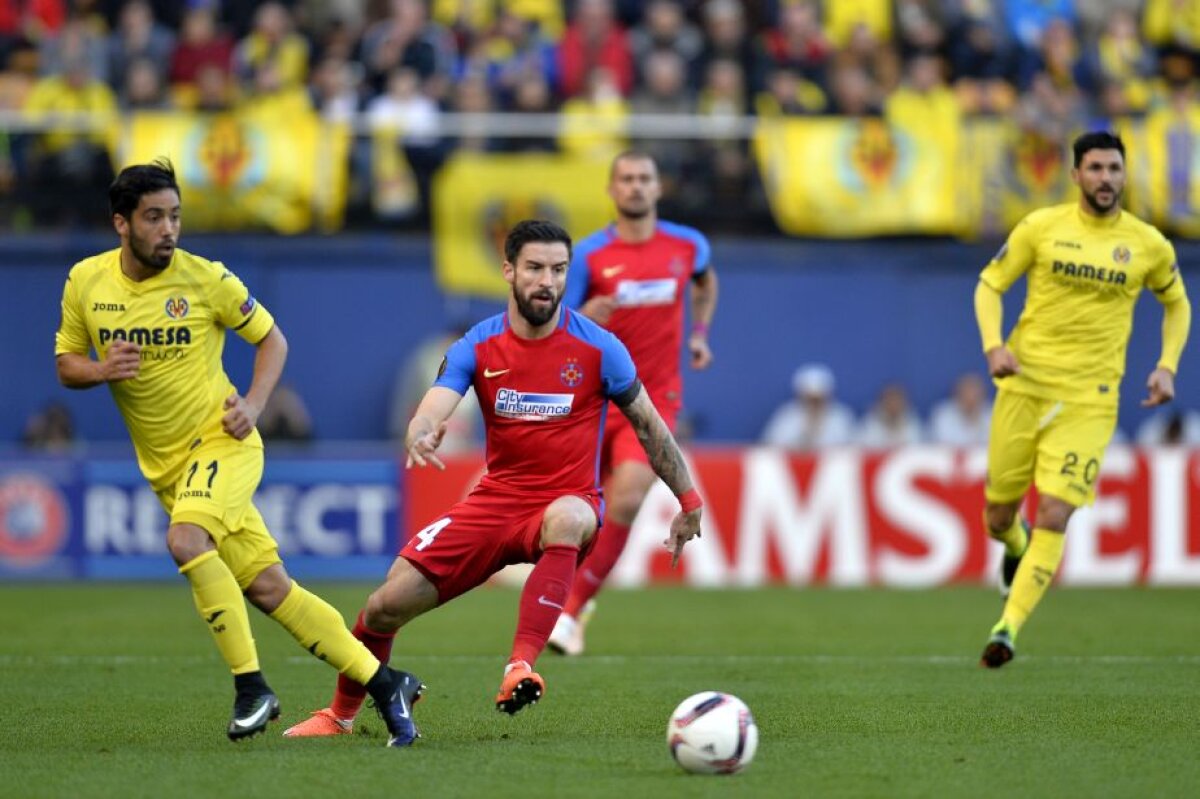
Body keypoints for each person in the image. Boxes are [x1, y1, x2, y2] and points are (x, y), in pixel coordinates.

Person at [282, 220, 703, 738]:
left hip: (564, 502)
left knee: (571, 516)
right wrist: (421, 429)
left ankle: (520, 666)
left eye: (558, 269)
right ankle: (340, 716)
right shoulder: (479, 345)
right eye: (534, 268)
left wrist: (689, 498)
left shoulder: (600, 348)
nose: (546, 281)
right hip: (493, 505)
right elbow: (437, 400)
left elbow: (650, 427)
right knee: (383, 607)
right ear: (508, 270)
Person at [53, 159, 420, 746]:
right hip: (167, 467)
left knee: (185, 539)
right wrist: (100, 369)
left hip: (224, 442)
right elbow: (67, 363)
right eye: (154, 218)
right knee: (270, 587)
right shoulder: (86, 282)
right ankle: (386, 683)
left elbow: (272, 340)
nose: (168, 229)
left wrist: (252, 403)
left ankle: (252, 688)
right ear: (121, 223)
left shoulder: (206, 280)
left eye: (174, 216)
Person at [974, 131, 1191, 668]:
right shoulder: (1041, 228)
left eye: (1114, 169)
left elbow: (1178, 304)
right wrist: (994, 346)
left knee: (1055, 509)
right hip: (1025, 385)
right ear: (1076, 175)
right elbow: (989, 285)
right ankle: (1014, 545)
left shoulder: (1148, 244)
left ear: (1124, 175)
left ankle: (1008, 628)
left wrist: (1167, 366)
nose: (1105, 179)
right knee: (998, 514)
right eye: (1095, 169)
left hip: (1091, 400)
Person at [545, 151, 718, 657]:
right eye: (627, 179)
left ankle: (571, 613)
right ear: (611, 189)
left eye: (645, 178)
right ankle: (575, 598)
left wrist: (701, 333)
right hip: (593, 401)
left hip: (654, 399)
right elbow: (557, 324)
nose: (636, 187)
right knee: (581, 513)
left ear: (659, 188)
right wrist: (582, 314)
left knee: (626, 499)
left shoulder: (688, 246)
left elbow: (706, 283)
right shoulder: (593, 254)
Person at [760, 363, 856, 451]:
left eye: (818, 399)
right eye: (809, 399)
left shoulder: (841, 417)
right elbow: (769, 447)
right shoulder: (786, 416)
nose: (814, 404)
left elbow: (855, 450)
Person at [929, 372, 992, 447]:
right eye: (966, 392)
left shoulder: (992, 415)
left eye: (975, 394)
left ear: (983, 395)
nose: (970, 398)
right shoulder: (943, 415)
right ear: (957, 394)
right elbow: (937, 447)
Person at [856, 382, 925, 448]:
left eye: (897, 400)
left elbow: (917, 448)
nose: (893, 404)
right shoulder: (870, 423)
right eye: (890, 400)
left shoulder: (913, 423)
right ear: (882, 402)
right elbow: (865, 448)